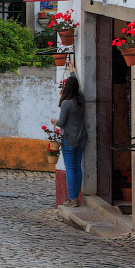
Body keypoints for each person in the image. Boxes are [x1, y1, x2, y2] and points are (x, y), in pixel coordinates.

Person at [52, 75, 87, 207]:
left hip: (69, 139)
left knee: (70, 168)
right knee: (77, 167)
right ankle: (75, 197)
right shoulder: (81, 100)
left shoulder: (66, 104)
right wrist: (72, 70)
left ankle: (73, 199)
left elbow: (61, 123)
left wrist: (54, 121)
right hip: (82, 138)